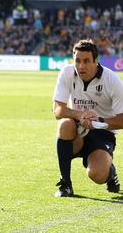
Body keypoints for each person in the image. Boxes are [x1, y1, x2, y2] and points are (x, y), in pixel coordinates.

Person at [53, 39, 122, 197]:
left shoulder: (111, 80)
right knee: (64, 124)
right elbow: (57, 110)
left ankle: (110, 171)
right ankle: (65, 184)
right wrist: (79, 115)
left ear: (95, 61)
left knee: (97, 175)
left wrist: (99, 121)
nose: (81, 66)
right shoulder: (67, 73)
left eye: (86, 61)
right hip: (77, 129)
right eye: (77, 60)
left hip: (103, 132)